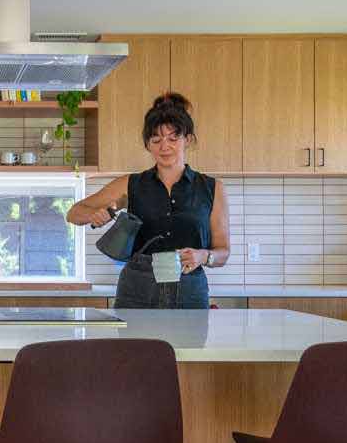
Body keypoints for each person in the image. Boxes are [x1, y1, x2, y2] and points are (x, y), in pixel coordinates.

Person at [67, 91, 230, 310]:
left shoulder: (212, 188)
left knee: (188, 346)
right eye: (156, 139)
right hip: (137, 289)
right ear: (147, 144)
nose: (165, 146)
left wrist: (204, 256)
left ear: (188, 140)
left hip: (190, 289)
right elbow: (74, 213)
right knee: (134, 346)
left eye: (173, 138)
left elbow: (223, 252)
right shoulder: (130, 184)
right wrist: (97, 214)